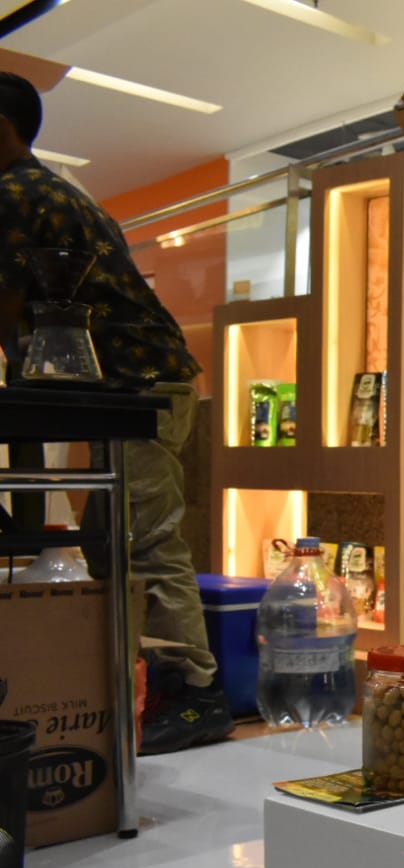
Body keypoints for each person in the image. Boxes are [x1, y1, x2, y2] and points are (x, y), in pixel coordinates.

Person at [0, 72, 232, 754]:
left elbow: (3, 305)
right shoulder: (45, 191)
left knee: (143, 540)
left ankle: (195, 692)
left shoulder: (15, 193)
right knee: (111, 544)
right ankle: (130, 683)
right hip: (126, 382)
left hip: (136, 385)